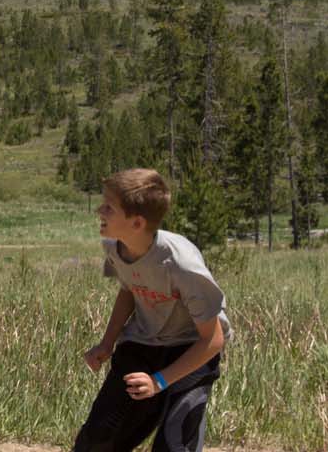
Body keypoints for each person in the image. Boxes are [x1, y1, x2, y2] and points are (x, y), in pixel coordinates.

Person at [73, 168, 228, 452]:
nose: (99, 211)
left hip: (191, 350)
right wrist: (106, 344)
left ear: (136, 222)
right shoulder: (114, 247)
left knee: (173, 444)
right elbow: (128, 289)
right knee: (96, 441)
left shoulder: (181, 264)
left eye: (109, 207)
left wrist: (159, 382)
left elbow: (213, 339)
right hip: (143, 344)